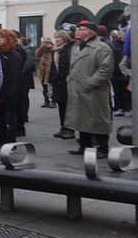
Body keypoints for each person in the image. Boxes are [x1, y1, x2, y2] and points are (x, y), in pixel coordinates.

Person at [66, 21, 114, 158]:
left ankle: (103, 148)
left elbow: (105, 70)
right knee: (81, 118)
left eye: (82, 29)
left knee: (98, 119)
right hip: (76, 88)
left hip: (94, 90)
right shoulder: (76, 47)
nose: (77, 31)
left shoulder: (101, 47)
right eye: (78, 29)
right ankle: (84, 145)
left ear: (91, 32)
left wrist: (90, 83)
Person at [0, 29, 24, 147]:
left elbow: (16, 77)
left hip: (10, 90)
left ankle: (11, 142)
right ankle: (1, 139)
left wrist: (12, 93)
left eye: (2, 37)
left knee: (9, 118)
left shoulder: (15, 55)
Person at [50, 30, 75, 139]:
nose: (57, 40)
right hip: (58, 82)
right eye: (55, 38)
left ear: (64, 38)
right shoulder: (55, 50)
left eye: (59, 38)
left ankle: (70, 129)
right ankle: (63, 127)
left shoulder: (69, 49)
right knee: (61, 105)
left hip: (67, 81)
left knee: (68, 106)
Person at [35, 37, 56, 108]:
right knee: (44, 88)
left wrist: (52, 47)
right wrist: (42, 47)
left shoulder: (54, 50)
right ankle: (46, 101)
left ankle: (53, 101)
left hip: (51, 71)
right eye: (45, 43)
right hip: (43, 71)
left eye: (48, 43)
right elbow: (37, 54)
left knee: (52, 87)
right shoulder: (43, 50)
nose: (46, 45)